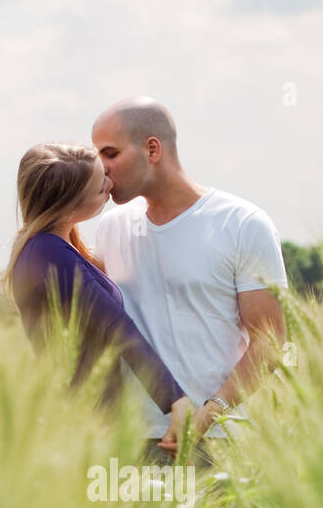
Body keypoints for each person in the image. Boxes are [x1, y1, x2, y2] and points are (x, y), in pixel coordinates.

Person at [92, 98, 288, 465]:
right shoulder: (109, 228)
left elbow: (270, 340)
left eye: (110, 153)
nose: (99, 168)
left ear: (152, 149)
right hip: (128, 442)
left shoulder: (242, 224)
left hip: (217, 441)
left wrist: (210, 412)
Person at [5, 142, 193, 449]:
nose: (110, 184)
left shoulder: (53, 249)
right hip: (83, 422)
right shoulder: (50, 253)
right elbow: (118, 329)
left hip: (86, 418)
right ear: (68, 206)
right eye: (99, 188)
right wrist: (175, 400)